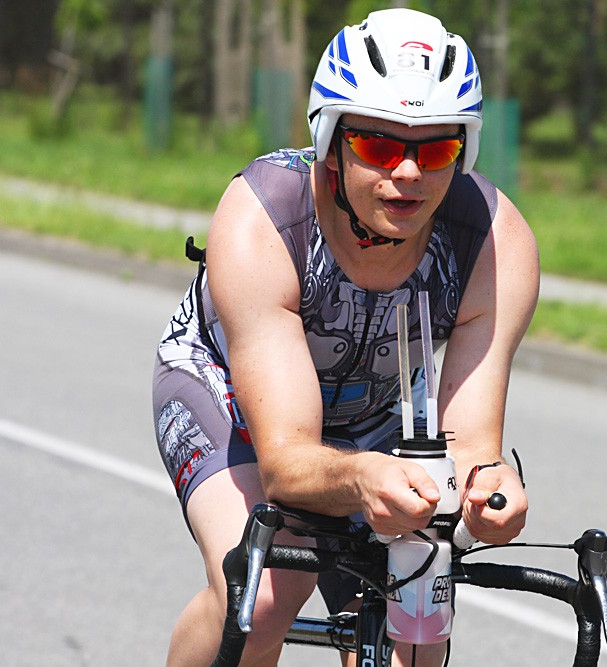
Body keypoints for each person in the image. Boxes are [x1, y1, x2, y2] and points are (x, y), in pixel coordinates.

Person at [152, 7, 539, 666]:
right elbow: (286, 463)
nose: (408, 172)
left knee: (417, 627)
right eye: (381, 147)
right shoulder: (264, 218)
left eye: (436, 149)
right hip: (231, 398)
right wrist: (362, 478)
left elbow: (471, 445)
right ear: (332, 143)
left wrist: (489, 490)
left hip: (378, 414)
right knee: (264, 593)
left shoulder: (495, 242)